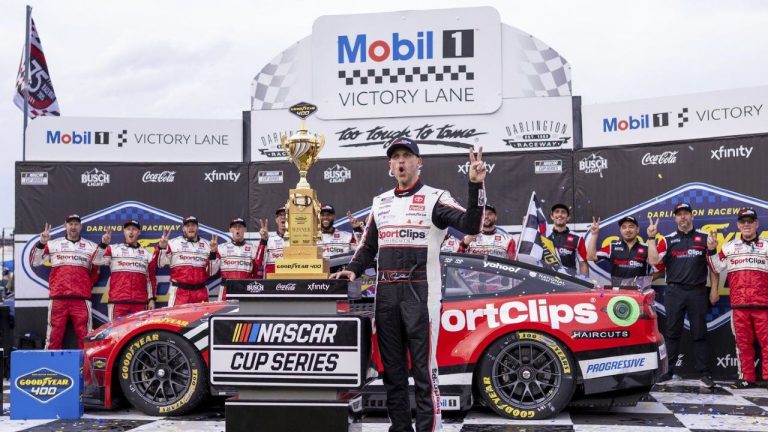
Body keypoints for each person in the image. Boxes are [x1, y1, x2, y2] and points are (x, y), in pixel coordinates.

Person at [332, 137, 485, 432]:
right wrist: (352, 270)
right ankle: (400, 429)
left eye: (406, 156)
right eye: (395, 157)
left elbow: (471, 226)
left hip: (421, 293)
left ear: (419, 162)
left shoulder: (436, 197)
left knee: (424, 373)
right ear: (390, 165)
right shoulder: (380, 202)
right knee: (393, 374)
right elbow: (367, 247)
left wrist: (475, 186)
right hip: (386, 295)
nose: (401, 161)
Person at [647, 202, 719, 387]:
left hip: (698, 291)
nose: (683, 217)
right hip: (674, 291)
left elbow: (714, 267)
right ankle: (668, 371)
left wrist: (715, 290)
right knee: (671, 333)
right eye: (679, 214)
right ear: (675, 218)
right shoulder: (668, 239)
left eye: (686, 213)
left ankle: (704, 373)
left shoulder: (705, 237)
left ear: (692, 216)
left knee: (699, 332)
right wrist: (651, 238)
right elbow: (654, 260)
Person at [707, 208, 768, 389]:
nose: (747, 225)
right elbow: (716, 267)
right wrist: (711, 250)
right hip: (739, 305)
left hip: (764, 304)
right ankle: (746, 378)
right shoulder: (729, 246)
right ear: (738, 225)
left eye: (750, 221)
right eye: (743, 222)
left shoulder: (766, 245)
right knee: (742, 343)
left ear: (757, 224)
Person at [30, 214, 99, 349]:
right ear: (65, 226)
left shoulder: (91, 246)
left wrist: (85, 286)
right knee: (54, 336)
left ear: (81, 226)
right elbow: (35, 261)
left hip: (81, 298)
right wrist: (42, 242)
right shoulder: (53, 244)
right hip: (58, 298)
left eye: (76, 224)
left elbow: (96, 271)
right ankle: (51, 367)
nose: (73, 227)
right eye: (70, 224)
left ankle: (85, 369)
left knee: (85, 335)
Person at [92, 220, 158, 320]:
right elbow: (96, 261)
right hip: (118, 302)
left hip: (140, 303)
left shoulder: (147, 253)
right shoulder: (113, 249)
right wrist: (103, 244)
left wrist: (151, 299)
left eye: (134, 229)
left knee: (138, 334)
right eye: (128, 229)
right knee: (116, 334)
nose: (131, 232)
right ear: (124, 231)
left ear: (139, 232)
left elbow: (150, 278)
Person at [157, 216, 220, 307]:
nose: (190, 228)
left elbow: (211, 272)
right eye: (187, 225)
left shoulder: (208, 245)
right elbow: (160, 263)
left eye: (193, 225)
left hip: (200, 292)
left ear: (197, 227)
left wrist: (213, 252)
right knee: (177, 320)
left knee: (201, 320)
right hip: (180, 293)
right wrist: (162, 248)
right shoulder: (173, 243)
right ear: (183, 228)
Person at [586, 216, 658, 286]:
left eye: (631, 227)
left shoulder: (646, 248)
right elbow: (590, 257)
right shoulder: (612, 247)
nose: (627, 230)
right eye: (624, 227)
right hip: (618, 293)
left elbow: (654, 262)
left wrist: (651, 237)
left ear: (637, 229)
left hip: (639, 294)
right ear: (620, 230)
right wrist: (594, 234)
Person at [216, 217, 268, 301]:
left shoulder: (252, 248)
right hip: (226, 288)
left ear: (245, 229)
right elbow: (211, 271)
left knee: (245, 312)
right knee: (224, 313)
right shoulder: (221, 248)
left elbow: (259, 263)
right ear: (230, 230)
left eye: (240, 226)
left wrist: (263, 240)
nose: (237, 229)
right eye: (234, 227)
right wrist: (212, 253)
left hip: (245, 287)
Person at [548, 203, 588, 275]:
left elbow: (583, 263)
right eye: (557, 212)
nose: (560, 215)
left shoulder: (577, 237)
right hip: (547, 280)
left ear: (568, 217)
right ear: (552, 216)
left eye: (563, 212)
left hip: (569, 281)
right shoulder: (544, 236)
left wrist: (586, 282)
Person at [263, 207, 287, 276]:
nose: (283, 217)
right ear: (276, 220)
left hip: (291, 280)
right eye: (280, 215)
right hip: (273, 282)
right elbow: (259, 262)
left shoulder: (297, 240)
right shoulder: (269, 240)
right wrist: (263, 241)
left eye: (286, 214)